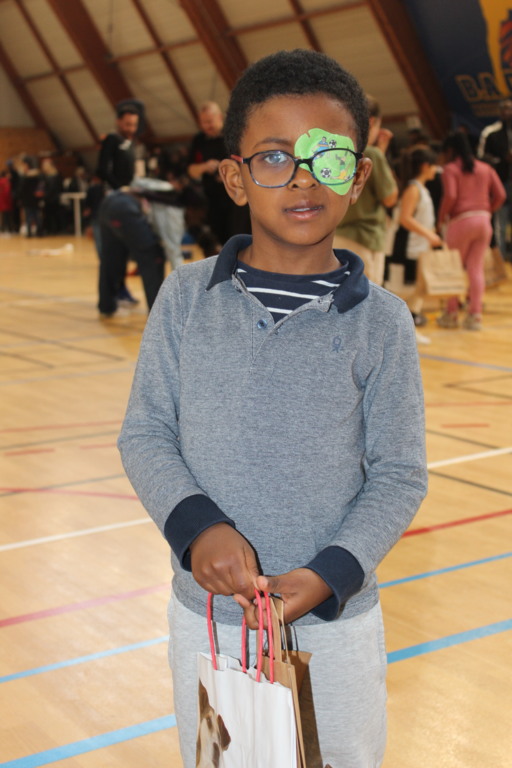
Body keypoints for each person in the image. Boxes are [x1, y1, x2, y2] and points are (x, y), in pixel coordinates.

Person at [118, 49, 427, 768]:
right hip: (211, 624)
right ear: (236, 177)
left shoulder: (383, 322)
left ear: (357, 177)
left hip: (335, 626)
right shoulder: (185, 298)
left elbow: (400, 473)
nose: (303, 178)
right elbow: (146, 432)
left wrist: (329, 574)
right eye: (276, 157)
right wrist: (198, 529)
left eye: (327, 158)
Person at [437, 131, 506, 331]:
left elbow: (450, 196)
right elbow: (501, 195)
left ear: (450, 150)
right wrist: (487, 210)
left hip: (460, 221)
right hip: (483, 221)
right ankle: (475, 315)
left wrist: (441, 218)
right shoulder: (486, 168)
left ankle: (451, 313)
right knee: (476, 268)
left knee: (454, 268)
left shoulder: (450, 169)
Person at [334, 95, 398, 285]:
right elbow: (389, 198)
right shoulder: (372, 153)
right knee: (366, 299)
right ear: (371, 122)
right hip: (365, 238)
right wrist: (380, 154)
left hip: (336, 236)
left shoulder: (335, 151)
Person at [96, 100, 145, 306]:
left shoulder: (132, 144)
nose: (131, 128)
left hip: (128, 201)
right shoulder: (112, 140)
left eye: (134, 125)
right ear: (118, 122)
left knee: (124, 251)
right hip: (113, 202)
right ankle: (110, 295)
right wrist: (120, 188)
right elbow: (102, 170)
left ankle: (120, 290)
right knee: (110, 254)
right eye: (127, 124)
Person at [394, 146, 442, 344]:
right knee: (406, 289)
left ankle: (410, 331)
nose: (436, 169)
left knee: (418, 289)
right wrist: (428, 234)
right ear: (425, 166)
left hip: (421, 248)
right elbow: (405, 218)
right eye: (433, 165)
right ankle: (403, 333)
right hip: (409, 248)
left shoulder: (422, 189)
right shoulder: (413, 189)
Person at [187, 101, 250, 252]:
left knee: (239, 237)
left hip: (236, 200)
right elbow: (190, 170)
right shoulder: (199, 140)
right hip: (213, 200)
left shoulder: (234, 135)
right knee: (218, 240)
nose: (207, 126)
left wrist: (229, 175)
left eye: (210, 121)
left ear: (220, 117)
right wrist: (204, 167)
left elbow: (247, 163)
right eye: (203, 122)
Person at [97, 189, 165, 317]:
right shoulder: (161, 193)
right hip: (125, 207)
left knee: (110, 261)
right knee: (152, 258)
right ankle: (158, 313)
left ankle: (106, 306)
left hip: (108, 204)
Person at [478, 98, 512, 258]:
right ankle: (501, 257)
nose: (507, 112)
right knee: (500, 221)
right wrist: (501, 160)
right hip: (500, 182)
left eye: (510, 108)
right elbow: (482, 158)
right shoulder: (490, 132)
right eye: (504, 109)